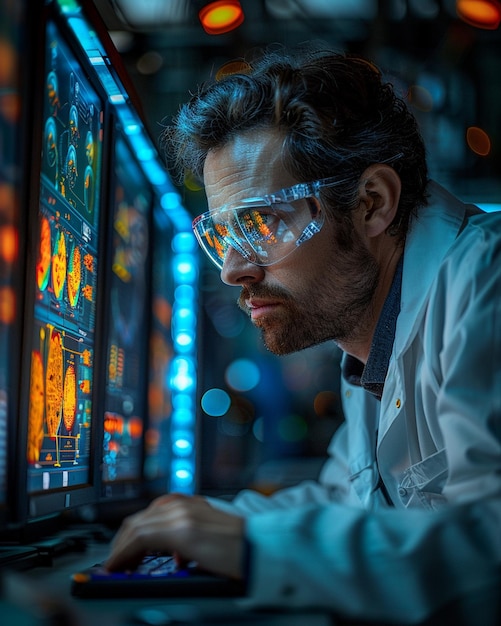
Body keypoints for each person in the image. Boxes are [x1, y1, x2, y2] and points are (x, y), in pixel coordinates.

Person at [105, 46, 501, 625]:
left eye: (262, 222)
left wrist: (248, 549)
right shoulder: (370, 337)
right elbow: (350, 499)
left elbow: (489, 549)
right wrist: (210, 524)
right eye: (221, 235)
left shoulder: (485, 283)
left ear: (372, 204)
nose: (232, 269)